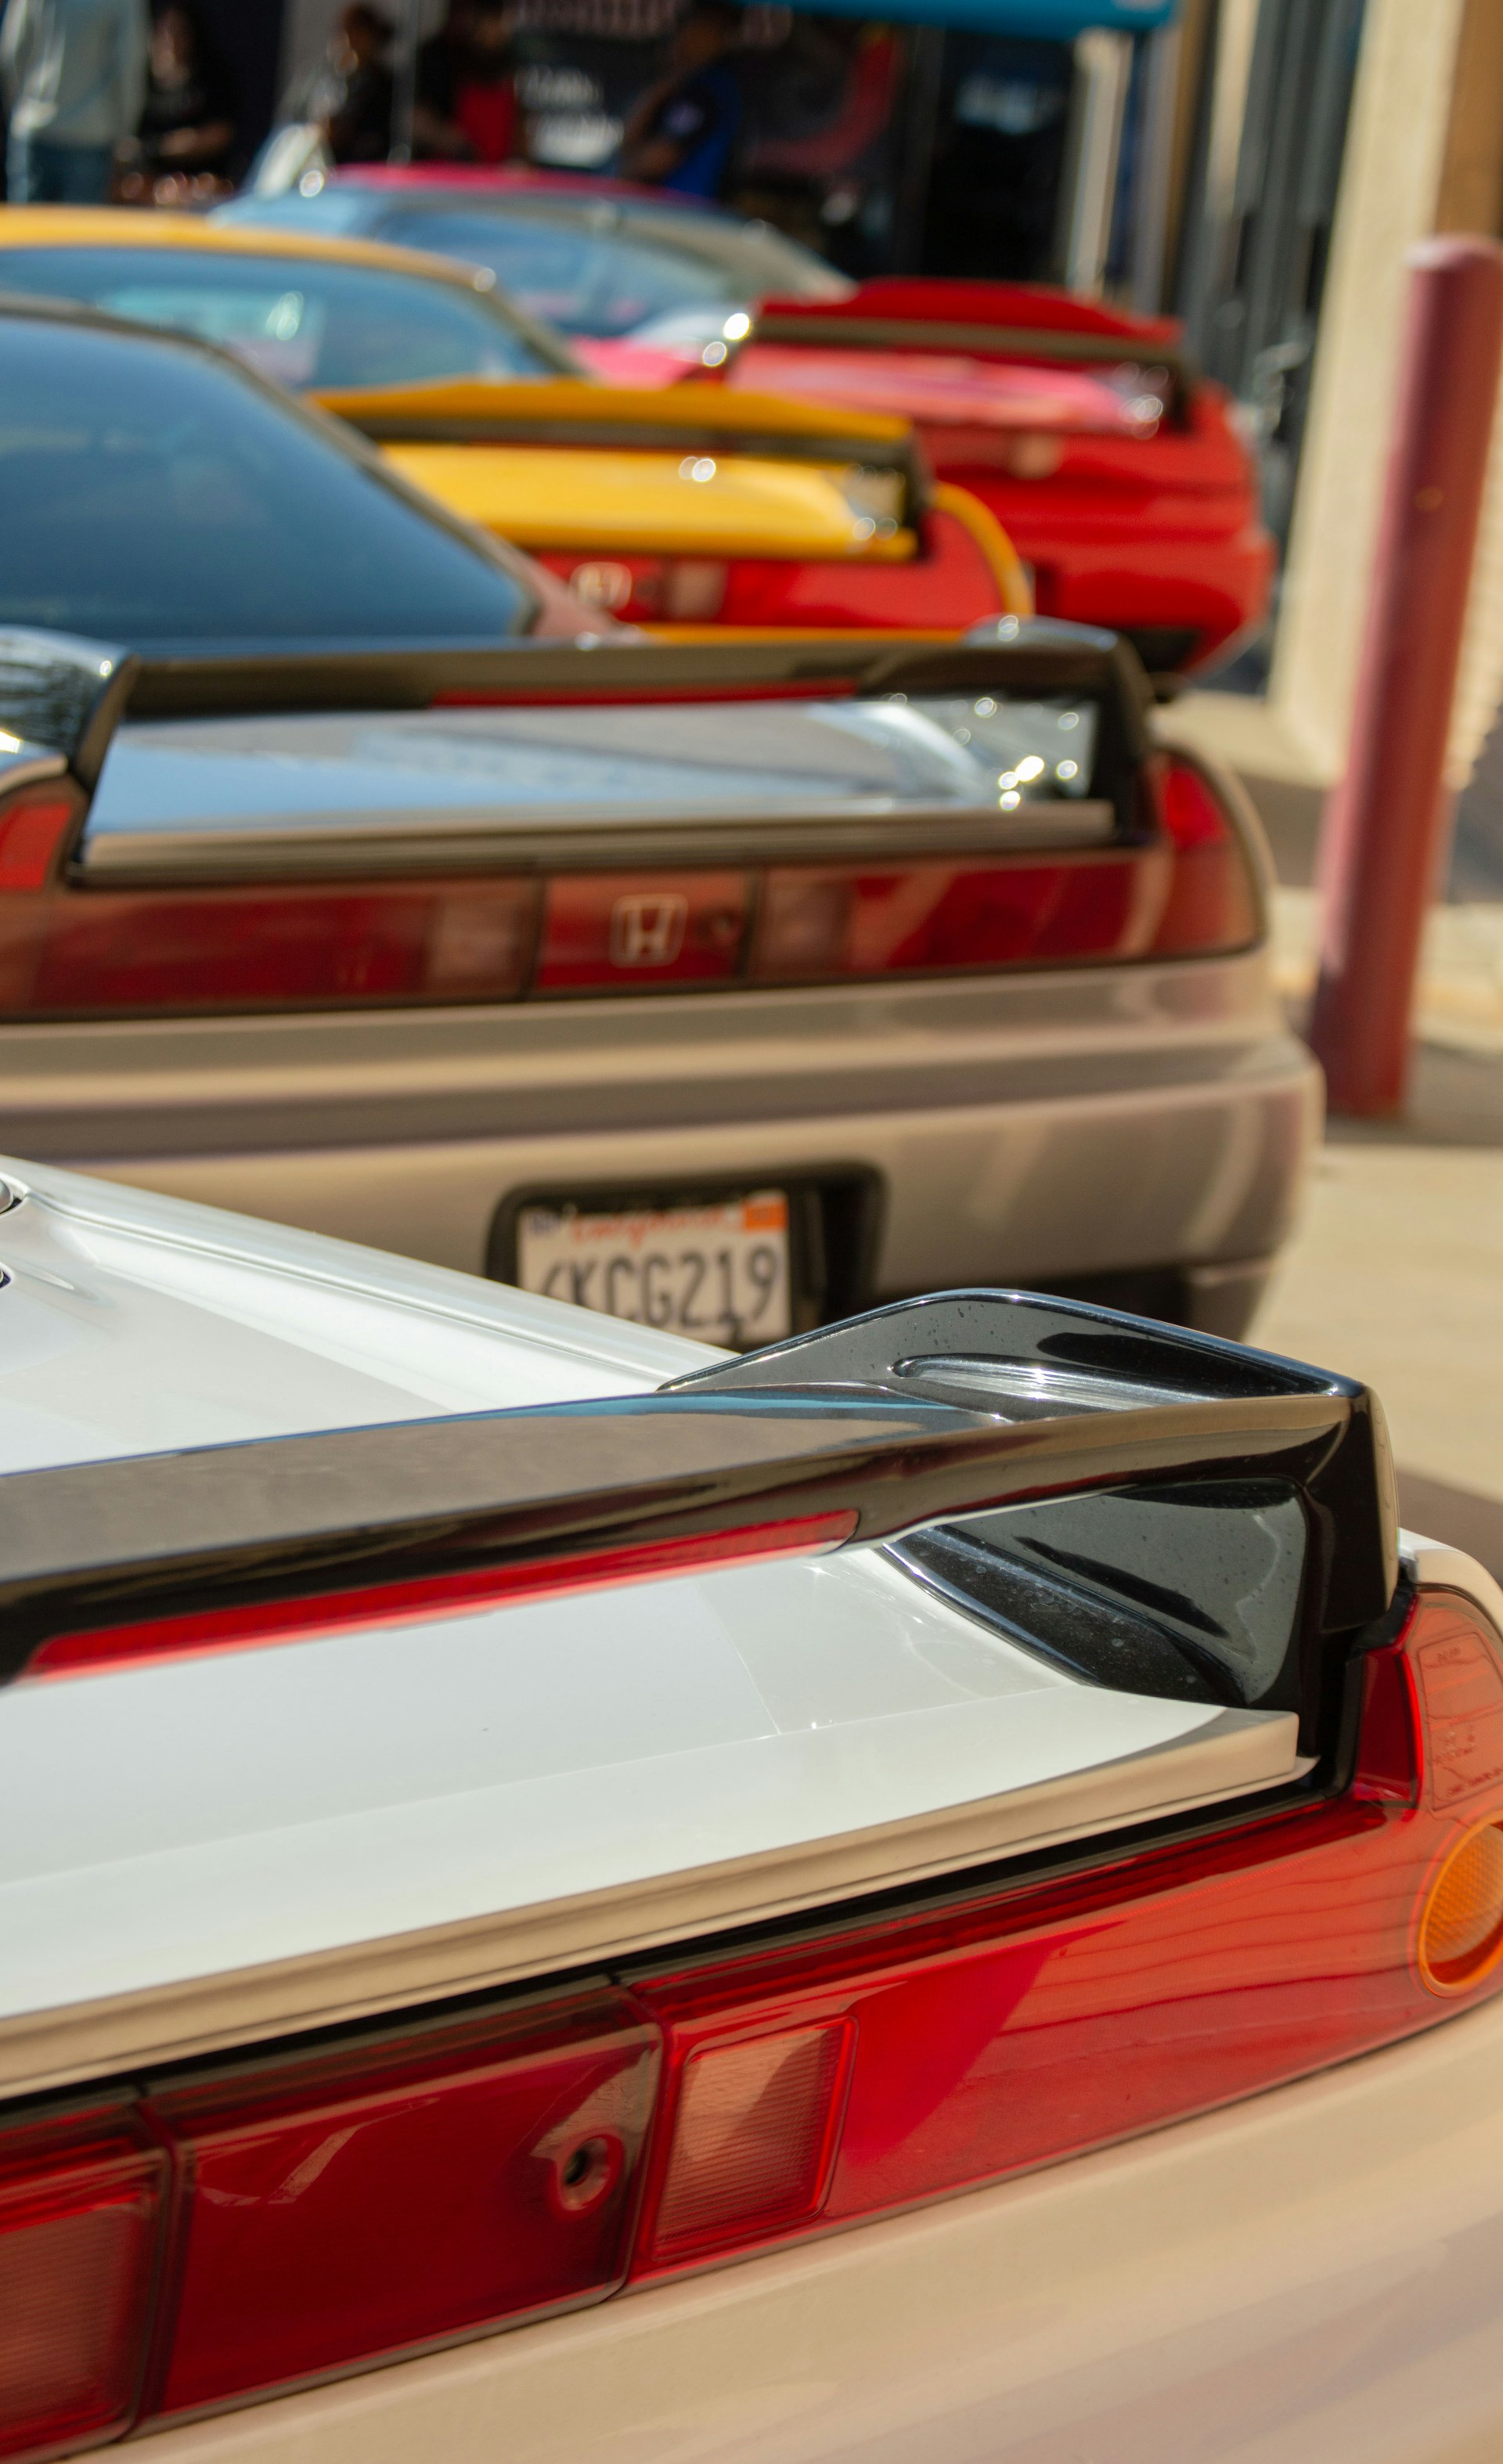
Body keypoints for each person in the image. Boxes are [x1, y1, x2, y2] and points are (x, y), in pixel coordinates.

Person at [0, 0, 149, 202]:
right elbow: (129, 64)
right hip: (91, 139)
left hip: (33, 131)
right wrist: (125, 130)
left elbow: (12, 49)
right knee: (82, 232)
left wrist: (23, 108)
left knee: (29, 230)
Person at [618, 0, 743, 200]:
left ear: (723, 37)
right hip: (659, 210)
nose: (689, 34)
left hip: (678, 214)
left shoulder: (707, 91)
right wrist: (671, 78)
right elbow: (627, 139)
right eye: (689, 25)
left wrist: (616, 180)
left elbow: (655, 160)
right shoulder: (684, 83)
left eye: (704, 27)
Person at [121, 0, 236, 198]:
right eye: (164, 32)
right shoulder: (138, 82)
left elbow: (218, 135)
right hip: (147, 190)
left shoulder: (211, 82)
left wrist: (157, 148)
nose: (170, 41)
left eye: (178, 32)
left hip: (197, 189)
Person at [414, 0, 521, 166]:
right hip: (449, 174)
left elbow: (516, 130)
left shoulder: (507, 61)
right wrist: (452, 141)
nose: (499, 30)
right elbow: (414, 121)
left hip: (496, 177)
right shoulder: (438, 56)